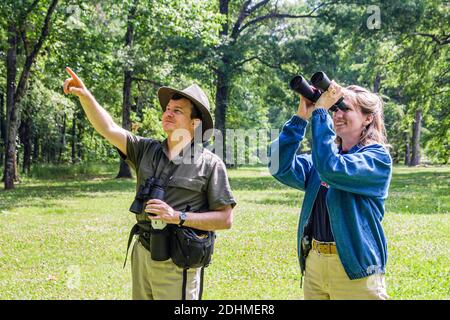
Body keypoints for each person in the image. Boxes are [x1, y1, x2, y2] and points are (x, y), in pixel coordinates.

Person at [63, 67, 236, 300]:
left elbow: (225, 219)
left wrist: (177, 217)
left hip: (178, 260)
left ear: (195, 123)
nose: (168, 114)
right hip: (143, 251)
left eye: (177, 111)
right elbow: (108, 128)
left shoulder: (210, 164)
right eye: (167, 109)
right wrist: (85, 95)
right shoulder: (145, 149)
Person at [268, 80, 392, 300]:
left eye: (345, 108)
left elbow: (330, 169)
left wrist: (321, 113)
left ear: (368, 118)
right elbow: (279, 166)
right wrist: (300, 119)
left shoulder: (377, 158)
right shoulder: (325, 158)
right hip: (315, 263)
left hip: (356, 268)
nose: (337, 114)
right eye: (335, 108)